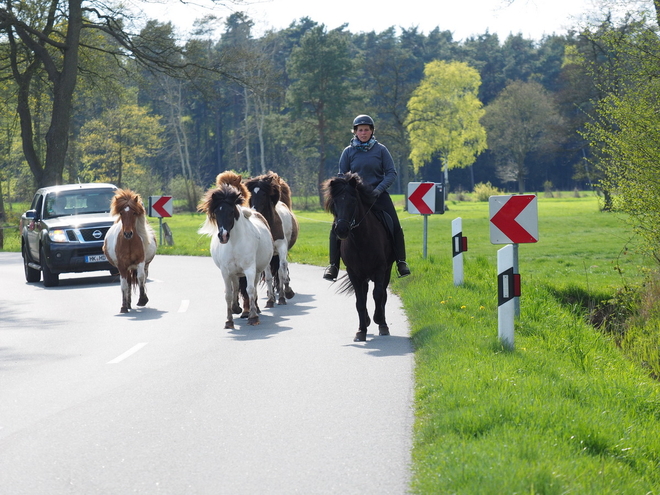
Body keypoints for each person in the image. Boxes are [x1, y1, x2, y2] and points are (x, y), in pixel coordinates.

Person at [323, 114, 411, 281]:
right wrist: (349, 191)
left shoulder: (381, 150)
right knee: (337, 225)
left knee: (394, 224)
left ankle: (401, 261)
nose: (363, 133)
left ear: (372, 131)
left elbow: (391, 173)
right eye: (360, 130)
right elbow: (342, 175)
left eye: (366, 130)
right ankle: (333, 265)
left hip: (378, 195)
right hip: (354, 197)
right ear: (355, 132)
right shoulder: (348, 152)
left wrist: (378, 190)